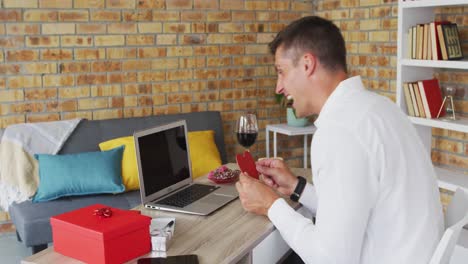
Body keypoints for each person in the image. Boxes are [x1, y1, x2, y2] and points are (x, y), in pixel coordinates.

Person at [235, 16, 443, 264]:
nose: (279, 87)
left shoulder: (340, 131)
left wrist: (271, 205)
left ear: (307, 64)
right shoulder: (380, 108)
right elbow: (351, 209)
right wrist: (296, 187)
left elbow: (330, 258)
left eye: (281, 72)